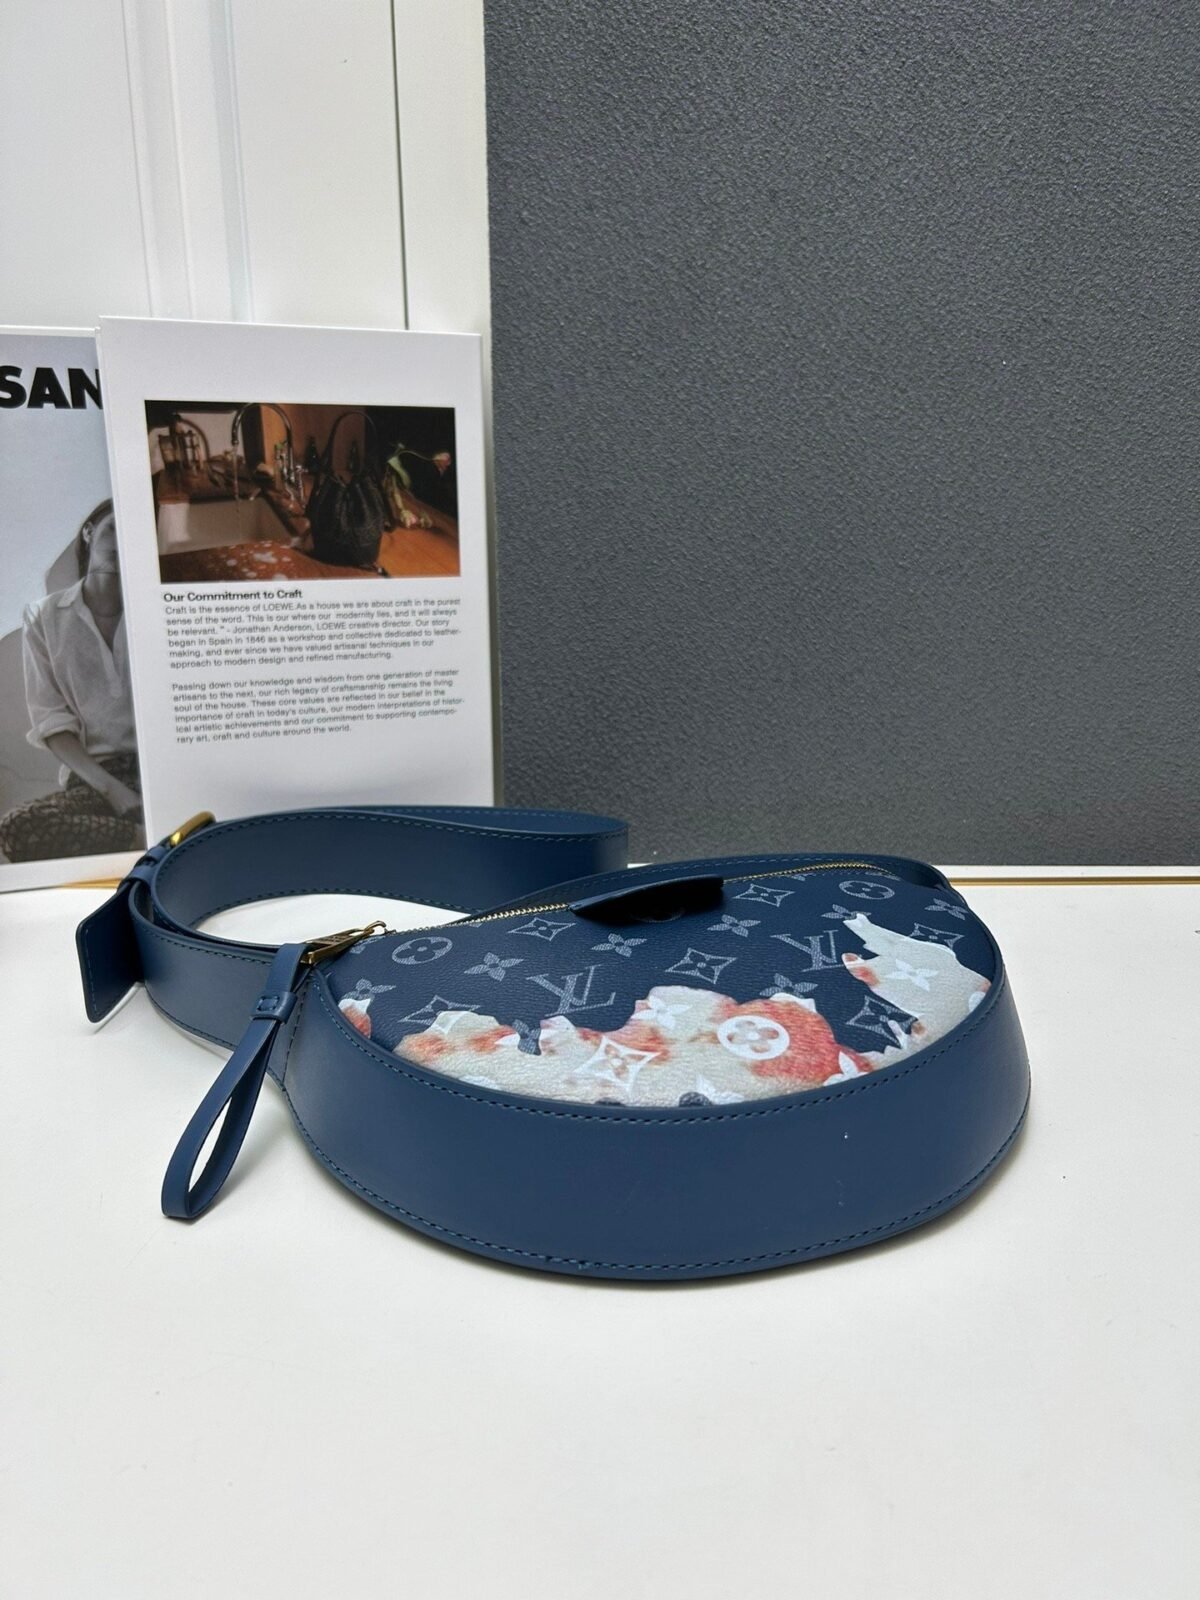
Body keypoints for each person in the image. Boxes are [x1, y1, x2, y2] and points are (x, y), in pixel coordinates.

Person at [0, 502, 145, 862]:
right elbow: (51, 720)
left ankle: (148, 839)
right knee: (19, 825)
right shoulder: (43, 616)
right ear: (89, 532)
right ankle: (148, 840)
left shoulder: (152, 610)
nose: (121, 540)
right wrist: (115, 792)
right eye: (113, 528)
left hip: (156, 771)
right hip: (94, 780)